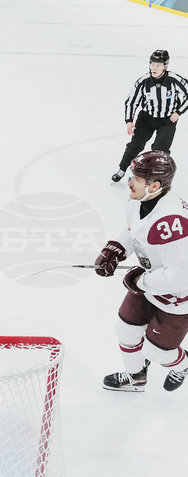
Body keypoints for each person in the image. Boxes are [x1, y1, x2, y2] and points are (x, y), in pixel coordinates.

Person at [95, 151, 188, 393]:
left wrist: (141, 281)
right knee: (125, 330)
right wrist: (116, 249)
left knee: (156, 352)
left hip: (179, 296)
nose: (129, 181)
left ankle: (185, 364)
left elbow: (181, 275)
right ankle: (135, 378)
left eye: (136, 178)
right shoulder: (139, 201)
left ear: (155, 185)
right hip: (150, 280)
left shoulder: (172, 221)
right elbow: (134, 231)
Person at [111, 50, 188, 183]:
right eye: (152, 64)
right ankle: (122, 168)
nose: (154, 67)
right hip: (146, 118)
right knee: (136, 145)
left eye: (158, 65)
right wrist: (129, 121)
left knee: (160, 150)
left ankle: (148, 176)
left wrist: (178, 112)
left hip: (167, 120)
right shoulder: (143, 81)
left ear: (166, 66)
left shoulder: (174, 80)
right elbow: (131, 101)